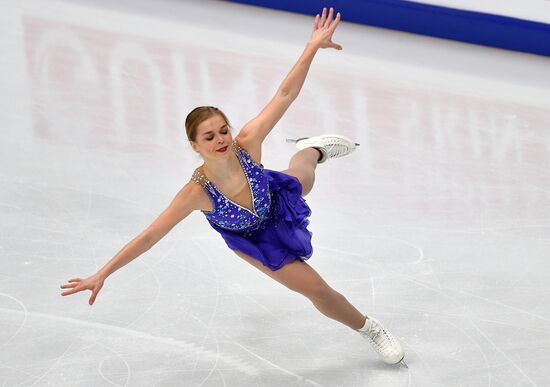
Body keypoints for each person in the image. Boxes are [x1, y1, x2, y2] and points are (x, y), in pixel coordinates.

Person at [60, 7, 406, 367]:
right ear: (195, 145)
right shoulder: (195, 193)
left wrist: (311, 47)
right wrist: (102, 273)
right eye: (209, 137)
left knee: (304, 172)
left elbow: (284, 94)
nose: (221, 139)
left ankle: (314, 148)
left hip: (272, 196)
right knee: (314, 288)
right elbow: (150, 236)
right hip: (253, 238)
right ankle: (370, 328)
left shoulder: (247, 143)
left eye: (223, 130)